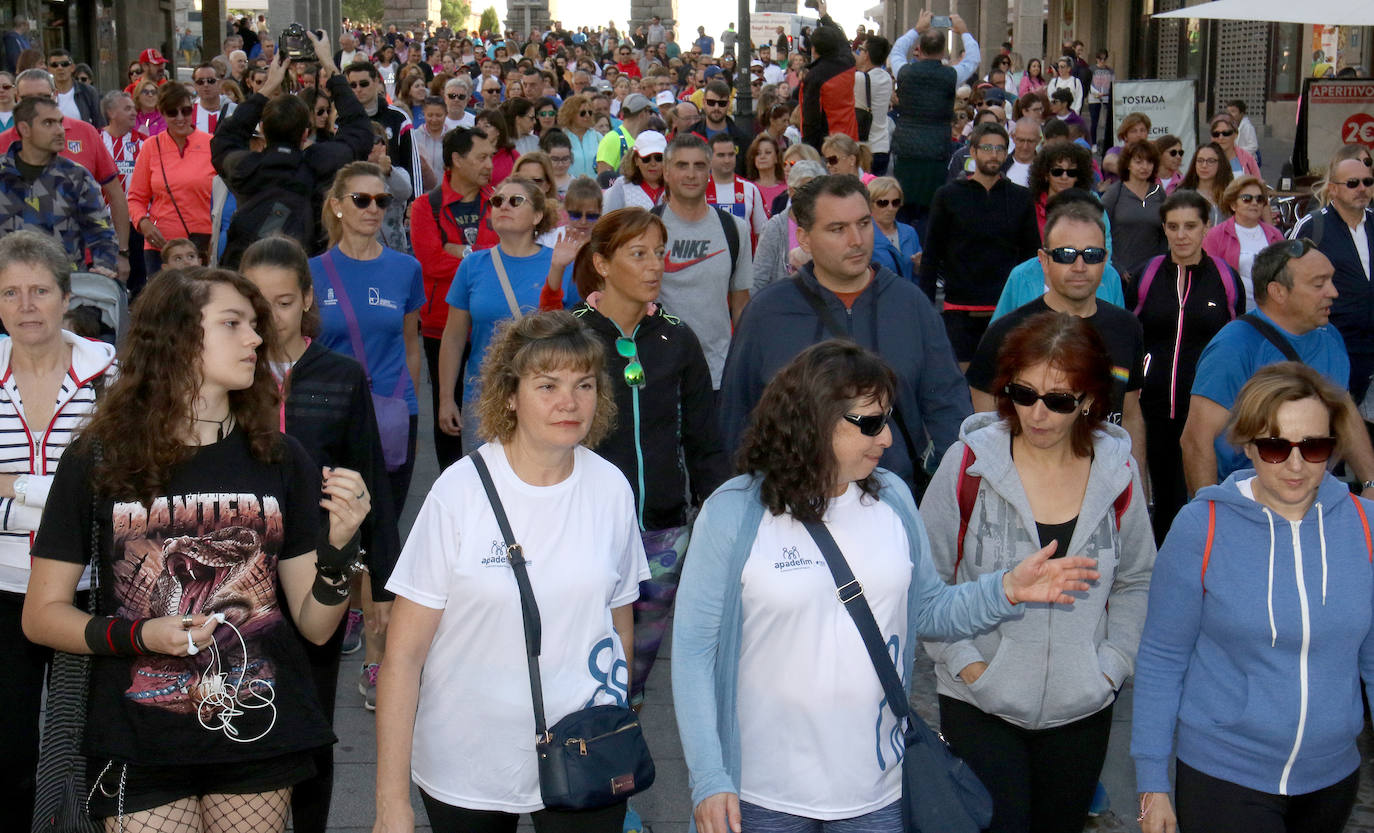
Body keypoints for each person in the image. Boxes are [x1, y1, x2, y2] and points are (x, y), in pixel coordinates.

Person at [675, 338, 1101, 833]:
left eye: (888, 421)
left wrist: (1006, 589)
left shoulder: (894, 500)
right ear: (814, 419)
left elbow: (927, 612)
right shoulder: (736, 512)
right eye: (870, 423)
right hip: (760, 795)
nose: (887, 440)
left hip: (876, 793)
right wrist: (709, 776)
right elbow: (692, 654)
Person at [21, 267, 361, 832]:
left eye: (255, 324)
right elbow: (41, 614)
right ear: (177, 336)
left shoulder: (282, 458)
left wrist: (340, 551)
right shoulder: (99, 458)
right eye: (233, 324)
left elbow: (318, 626)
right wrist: (140, 636)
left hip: (255, 725)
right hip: (139, 737)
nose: (256, 338)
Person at [376, 310, 649, 833]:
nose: (569, 402)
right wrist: (392, 802)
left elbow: (620, 624)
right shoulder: (459, 492)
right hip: (469, 760)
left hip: (587, 748)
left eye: (584, 384)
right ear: (509, 395)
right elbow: (403, 658)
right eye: (547, 385)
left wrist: (616, 724)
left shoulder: (610, 486)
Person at [923, 310, 1154, 833]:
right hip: (978, 702)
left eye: (1059, 400)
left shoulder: (1118, 477)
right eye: (1023, 394)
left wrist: (1111, 667)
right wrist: (967, 666)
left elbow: (1138, 578)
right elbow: (925, 583)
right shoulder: (967, 467)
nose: (1038, 414)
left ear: (1091, 401)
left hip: (1083, 707)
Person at [1134, 362, 1371, 833]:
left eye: (1315, 446)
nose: (1297, 464)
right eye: (1275, 446)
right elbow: (1162, 658)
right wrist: (1151, 784)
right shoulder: (1202, 527)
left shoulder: (1364, 528)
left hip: (1333, 777)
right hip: (1225, 776)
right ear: (1246, 444)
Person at [240, 235, 399, 832]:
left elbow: (370, 479)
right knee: (239, 709)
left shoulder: (341, 375)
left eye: (283, 302)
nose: (268, 316)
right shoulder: (227, 373)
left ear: (306, 300)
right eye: (255, 301)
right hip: (238, 573)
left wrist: (381, 583)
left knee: (309, 721)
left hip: (320, 572)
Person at [558, 206, 729, 709]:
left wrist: (723, 519)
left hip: (662, 533)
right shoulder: (569, 336)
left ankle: (617, 742)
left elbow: (705, 444)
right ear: (603, 264)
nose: (655, 265)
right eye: (639, 254)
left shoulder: (677, 339)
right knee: (579, 655)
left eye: (660, 252)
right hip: (583, 529)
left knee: (632, 673)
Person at [722, 174, 969, 491]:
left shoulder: (911, 306)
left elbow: (949, 408)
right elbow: (736, 420)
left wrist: (948, 497)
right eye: (838, 229)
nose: (857, 239)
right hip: (792, 507)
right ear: (805, 238)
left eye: (864, 224)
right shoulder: (767, 313)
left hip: (894, 503)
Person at [0, 230, 116, 823]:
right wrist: (51, 496)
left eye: (40, 290)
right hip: (3, 588)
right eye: (11, 293)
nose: (26, 306)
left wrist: (13, 488)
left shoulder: (109, 377)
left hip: (90, 587)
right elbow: (84, 493)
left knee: (86, 746)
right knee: (8, 749)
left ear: (65, 298)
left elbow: (121, 482)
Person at [967, 200, 1148, 475]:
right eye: (1065, 254)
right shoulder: (1006, 333)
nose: (1079, 265)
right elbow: (986, 427)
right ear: (1044, 260)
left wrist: (1136, 488)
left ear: (1106, 259)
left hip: (1106, 485)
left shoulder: (1126, 327)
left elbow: (1131, 415)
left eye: (1092, 254)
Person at [1180, 239, 1374, 494]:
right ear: (1278, 292)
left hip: (1310, 497)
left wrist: (1370, 481)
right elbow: (1196, 442)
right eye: (1319, 284)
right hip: (1247, 503)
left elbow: (1344, 411)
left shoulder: (1330, 336)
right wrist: (1210, 519)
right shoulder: (1234, 346)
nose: (1333, 292)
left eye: (1331, 280)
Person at [1131, 190, 1246, 542]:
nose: (1181, 235)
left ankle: (1209, 558)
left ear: (1206, 227)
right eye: (1173, 226)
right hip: (1154, 408)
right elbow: (1129, 336)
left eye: (1190, 226)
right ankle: (1166, 569)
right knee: (1166, 497)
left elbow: (1239, 340)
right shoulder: (1145, 275)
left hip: (1208, 409)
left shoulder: (1225, 279)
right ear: (1163, 228)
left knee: (1205, 493)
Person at [438, 176, 579, 454]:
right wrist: (445, 398)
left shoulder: (561, 263)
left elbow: (577, 336)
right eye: (497, 200)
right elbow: (453, 338)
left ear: (538, 215)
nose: (503, 206)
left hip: (546, 394)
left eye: (515, 201)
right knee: (485, 485)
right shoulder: (472, 266)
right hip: (486, 394)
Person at [213, 38, 373, 266]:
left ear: (264, 133)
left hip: (249, 269)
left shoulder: (245, 167)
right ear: (305, 134)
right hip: (304, 269)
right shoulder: (321, 163)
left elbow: (225, 139)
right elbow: (359, 130)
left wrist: (266, 89)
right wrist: (330, 65)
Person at [410, 126, 500, 469]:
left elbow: (500, 255)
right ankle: (451, 478)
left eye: (491, 156)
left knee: (489, 404)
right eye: (481, 157)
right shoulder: (425, 207)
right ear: (456, 160)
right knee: (447, 407)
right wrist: (475, 254)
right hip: (440, 324)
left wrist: (458, 251)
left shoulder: (498, 202)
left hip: (488, 323)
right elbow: (430, 262)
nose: (489, 164)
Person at [920, 122, 1039, 367]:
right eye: (987, 147)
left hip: (1006, 308)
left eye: (1000, 148)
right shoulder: (948, 196)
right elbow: (931, 254)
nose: (993, 154)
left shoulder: (1021, 198)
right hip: (959, 310)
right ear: (973, 152)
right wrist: (926, 308)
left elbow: (1031, 258)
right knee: (963, 385)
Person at [656, 134, 751, 391]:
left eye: (699, 166)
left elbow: (740, 305)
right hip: (659, 372)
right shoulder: (646, 228)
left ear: (709, 172)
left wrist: (740, 363)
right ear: (666, 172)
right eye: (681, 165)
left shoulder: (735, 228)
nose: (691, 174)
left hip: (717, 374)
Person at [0, 96, 118, 278]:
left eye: (60, 123)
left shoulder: (76, 177)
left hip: (63, 291)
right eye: (48, 123)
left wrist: (104, 268)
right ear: (24, 129)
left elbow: (102, 233)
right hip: (7, 289)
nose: (60, 131)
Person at [1290, 153, 1374, 405]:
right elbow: (1289, 278)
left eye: (1367, 182)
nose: (1361, 189)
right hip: (1333, 348)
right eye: (1352, 183)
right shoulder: (1314, 226)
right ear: (1333, 189)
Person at [889, 11, 981, 227]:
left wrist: (916, 29)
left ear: (919, 49)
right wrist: (964, 31)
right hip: (936, 149)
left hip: (906, 148)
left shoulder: (903, 71)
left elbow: (897, 50)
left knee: (902, 205)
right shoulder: (952, 75)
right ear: (944, 51)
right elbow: (973, 59)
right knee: (932, 208)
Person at [129, 82, 214, 274]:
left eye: (185, 111)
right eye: (172, 112)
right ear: (162, 113)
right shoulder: (151, 147)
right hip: (161, 246)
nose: (180, 118)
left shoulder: (211, 144)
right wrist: (144, 223)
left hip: (202, 246)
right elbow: (135, 198)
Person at [1203, 176, 1285, 310]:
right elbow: (1208, 278)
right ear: (1233, 204)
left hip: (1270, 311)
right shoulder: (1216, 236)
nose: (1254, 203)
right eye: (1247, 198)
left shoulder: (1275, 235)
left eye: (1259, 199)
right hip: (1232, 310)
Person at [1102, 140, 1167, 282]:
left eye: (1149, 162)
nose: (1144, 167)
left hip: (1152, 274)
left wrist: (1161, 263)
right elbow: (1101, 231)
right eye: (1138, 162)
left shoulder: (1159, 193)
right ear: (1128, 164)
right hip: (1121, 274)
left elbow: (1166, 233)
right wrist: (1117, 267)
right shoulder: (1114, 193)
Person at [798, 0, 858, 151]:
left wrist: (809, 150)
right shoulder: (848, 62)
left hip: (828, 145)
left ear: (814, 49)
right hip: (850, 137)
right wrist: (825, 17)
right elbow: (843, 41)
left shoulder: (815, 76)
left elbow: (810, 119)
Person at [706, 133, 767, 241]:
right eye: (721, 155)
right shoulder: (701, 189)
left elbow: (762, 233)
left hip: (745, 256)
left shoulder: (750, 189)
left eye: (731, 154)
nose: (727, 160)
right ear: (709, 158)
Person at [868, 176, 921, 282]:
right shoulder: (864, 236)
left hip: (908, 296)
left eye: (895, 202)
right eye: (883, 203)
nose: (890, 208)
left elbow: (917, 274)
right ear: (870, 204)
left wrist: (918, 267)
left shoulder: (909, 232)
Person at [854, 35, 893, 175]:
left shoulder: (859, 79)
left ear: (867, 55)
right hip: (883, 145)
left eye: (861, 49)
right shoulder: (887, 78)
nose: (859, 53)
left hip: (866, 148)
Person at [46, 49, 101, 128]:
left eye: (65, 64)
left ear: (72, 67)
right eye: (55, 65)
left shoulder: (88, 92)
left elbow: (99, 123)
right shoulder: (44, 94)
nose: (60, 68)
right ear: (49, 69)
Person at [1180, 142, 1233, 225]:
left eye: (1211, 161)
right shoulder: (1183, 195)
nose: (1204, 165)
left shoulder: (1230, 195)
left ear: (1220, 164)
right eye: (1200, 160)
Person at [554, 93, 602, 179]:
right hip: (569, 188)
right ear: (570, 114)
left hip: (596, 187)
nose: (587, 115)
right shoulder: (560, 137)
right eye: (582, 113)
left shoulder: (598, 137)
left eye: (590, 112)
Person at [1208, 112, 1261, 180]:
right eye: (1216, 134)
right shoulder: (1204, 159)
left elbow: (1258, 184)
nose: (1220, 138)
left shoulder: (1248, 159)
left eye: (1226, 133)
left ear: (1236, 135)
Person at [476, 107, 518, 186]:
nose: (480, 130)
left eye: (486, 126)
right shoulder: (470, 155)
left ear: (498, 131)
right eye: (478, 125)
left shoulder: (512, 155)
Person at [1088, 50, 1113, 150]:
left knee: (1108, 121)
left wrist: (1107, 93)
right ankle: (1093, 143)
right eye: (1100, 58)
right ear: (1096, 59)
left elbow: (1112, 83)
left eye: (1104, 59)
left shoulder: (1110, 70)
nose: (1102, 61)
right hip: (1094, 98)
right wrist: (1096, 93)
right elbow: (1088, 83)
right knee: (1094, 121)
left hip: (1106, 97)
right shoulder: (1091, 69)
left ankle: (1106, 143)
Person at [1005, 117, 1040, 187]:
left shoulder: (1046, 168)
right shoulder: (1001, 165)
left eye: (1030, 141)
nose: (1025, 147)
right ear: (1013, 137)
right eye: (1021, 140)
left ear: (1039, 140)